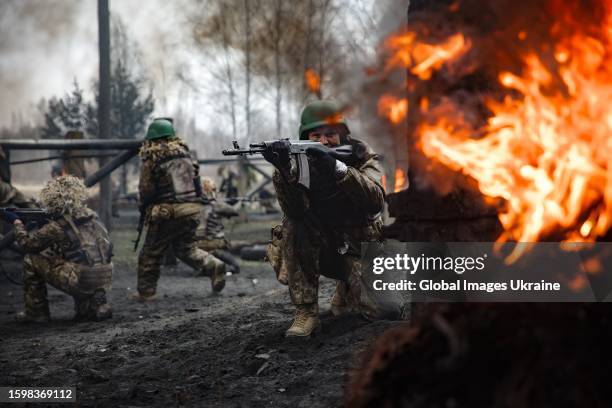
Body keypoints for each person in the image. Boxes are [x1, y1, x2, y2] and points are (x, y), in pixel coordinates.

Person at [264, 100, 386, 337]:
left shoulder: (363, 156)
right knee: (294, 223)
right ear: (305, 137)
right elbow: (295, 210)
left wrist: (338, 168)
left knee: (384, 311)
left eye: (331, 134)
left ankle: (347, 287)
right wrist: (283, 172)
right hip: (320, 247)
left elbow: (376, 201)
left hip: (359, 247)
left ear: (343, 134)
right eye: (316, 135)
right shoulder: (297, 164)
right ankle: (307, 312)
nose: (323, 141)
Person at [136, 119, 226, 300]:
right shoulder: (186, 155)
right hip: (192, 211)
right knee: (186, 249)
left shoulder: (152, 157)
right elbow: (197, 180)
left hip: (167, 212)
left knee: (151, 252)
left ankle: (146, 292)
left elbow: (146, 190)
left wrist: (144, 206)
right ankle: (214, 265)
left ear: (152, 137)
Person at [7, 175, 113, 322]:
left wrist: (17, 223)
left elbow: (27, 245)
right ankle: (95, 306)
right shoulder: (91, 216)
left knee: (31, 259)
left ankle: (36, 312)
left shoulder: (57, 226)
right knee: (73, 260)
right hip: (104, 277)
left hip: (82, 279)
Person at [195, 177, 240, 274]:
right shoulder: (217, 205)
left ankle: (205, 268)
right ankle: (233, 265)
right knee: (218, 248)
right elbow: (234, 212)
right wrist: (223, 204)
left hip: (196, 243)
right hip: (214, 242)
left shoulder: (193, 205)